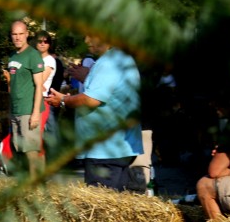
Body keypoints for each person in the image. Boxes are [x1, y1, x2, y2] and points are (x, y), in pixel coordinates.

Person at [45, 35, 142, 191]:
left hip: (105, 152)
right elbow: (111, 90)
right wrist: (89, 77)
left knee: (103, 208)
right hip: (115, 149)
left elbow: (92, 99)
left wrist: (63, 100)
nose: (86, 41)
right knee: (114, 205)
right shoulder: (120, 58)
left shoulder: (109, 63)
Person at [7, 20, 45, 177]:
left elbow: (39, 86)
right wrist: (10, 112)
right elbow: (13, 85)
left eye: (21, 34)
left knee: (31, 150)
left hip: (28, 110)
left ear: (27, 34)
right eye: (14, 34)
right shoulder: (12, 57)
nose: (17, 37)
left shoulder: (33, 55)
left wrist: (35, 112)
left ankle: (35, 186)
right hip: (16, 110)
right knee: (18, 148)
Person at [35, 31, 57, 144]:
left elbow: (39, 81)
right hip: (31, 99)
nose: (43, 44)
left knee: (38, 136)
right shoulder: (33, 58)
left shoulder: (49, 61)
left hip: (42, 100)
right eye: (40, 41)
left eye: (46, 41)